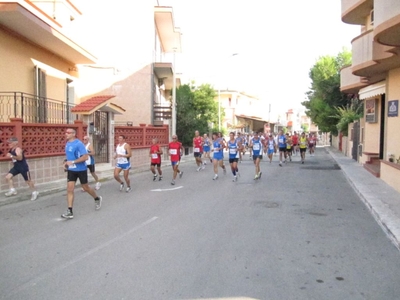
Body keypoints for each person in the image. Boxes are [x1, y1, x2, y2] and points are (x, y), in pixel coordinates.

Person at [62, 128, 102, 219]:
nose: (66, 134)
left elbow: (85, 157)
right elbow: (69, 157)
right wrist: (65, 163)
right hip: (72, 170)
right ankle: (70, 210)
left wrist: (73, 162)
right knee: (70, 189)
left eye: (68, 133)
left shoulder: (79, 144)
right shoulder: (68, 143)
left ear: (73, 134)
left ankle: (97, 198)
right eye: (66, 132)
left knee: (86, 187)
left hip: (81, 169)